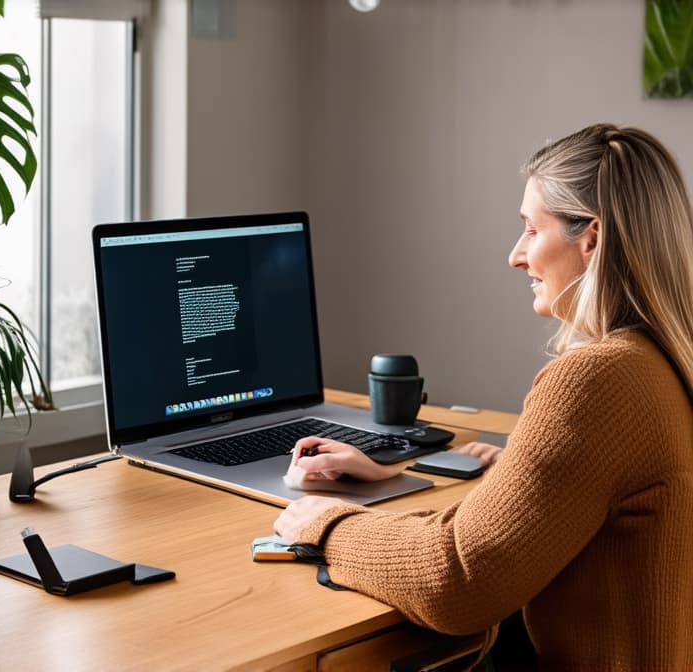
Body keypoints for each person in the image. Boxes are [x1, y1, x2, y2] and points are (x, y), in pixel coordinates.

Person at [274, 123, 693, 670]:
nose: (516, 255)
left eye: (530, 229)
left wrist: (324, 526)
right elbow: (564, 507)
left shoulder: (597, 380)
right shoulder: (662, 361)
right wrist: (404, 474)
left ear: (591, 237)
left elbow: (459, 582)